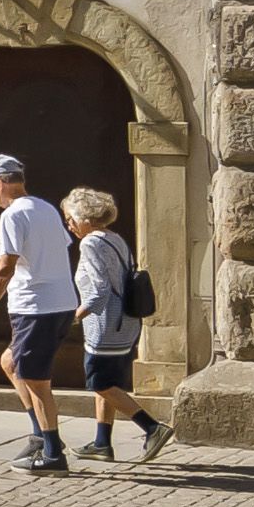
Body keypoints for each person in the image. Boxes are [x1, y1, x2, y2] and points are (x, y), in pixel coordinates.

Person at [0, 147, 83, 472]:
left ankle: (53, 454)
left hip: (36, 307)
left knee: (36, 380)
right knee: (11, 362)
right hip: (59, 304)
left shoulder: (13, 215)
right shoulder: (46, 208)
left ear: (0, 182)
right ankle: (40, 434)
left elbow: (6, 267)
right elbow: (60, 249)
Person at [67, 179, 167, 463]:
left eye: (71, 218)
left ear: (86, 218)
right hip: (126, 323)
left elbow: (99, 291)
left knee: (100, 384)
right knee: (107, 383)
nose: (69, 225)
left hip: (105, 326)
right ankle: (102, 443)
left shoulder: (90, 243)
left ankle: (153, 428)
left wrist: (74, 317)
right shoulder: (114, 238)